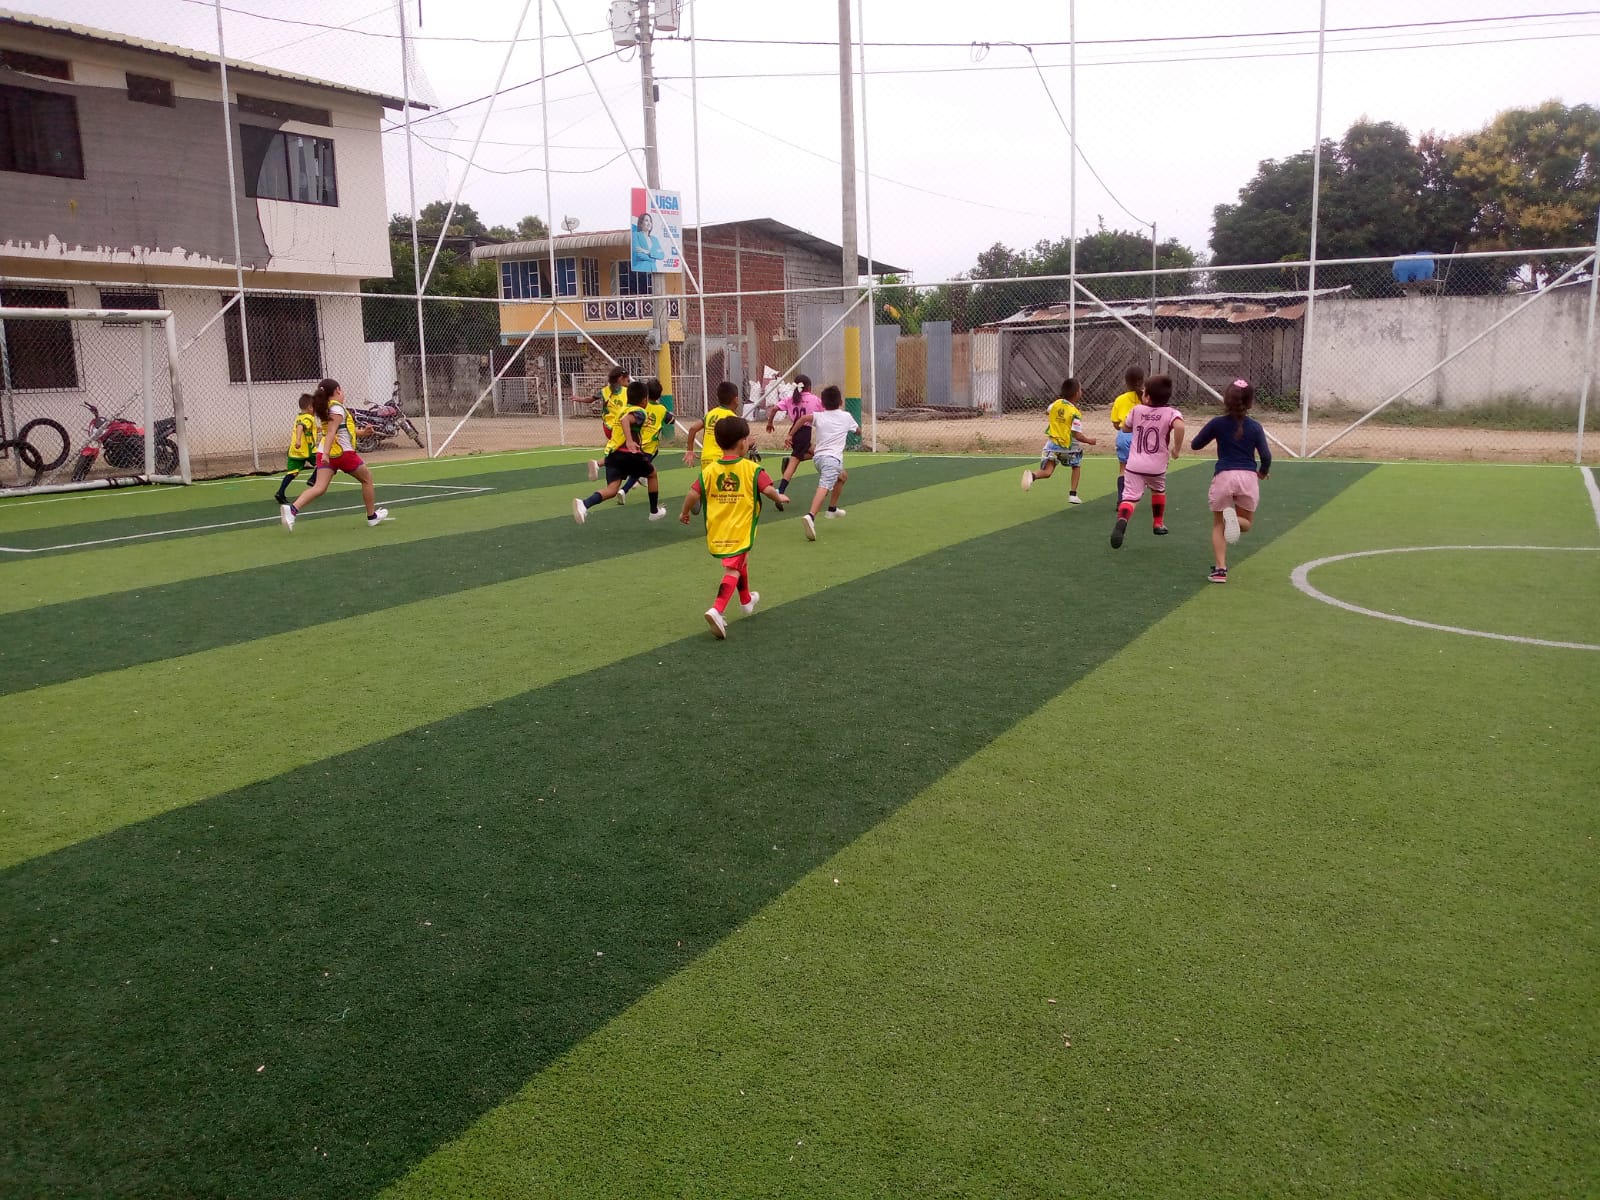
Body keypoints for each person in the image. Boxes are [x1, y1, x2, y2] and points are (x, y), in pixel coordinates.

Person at [678, 415, 788, 639]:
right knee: (733, 569)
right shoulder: (752, 469)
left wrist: (685, 512)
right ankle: (717, 610)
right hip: (739, 529)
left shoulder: (709, 471)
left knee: (739, 561)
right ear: (742, 443)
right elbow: (768, 490)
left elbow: (693, 493)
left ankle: (746, 600)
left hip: (718, 528)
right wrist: (779, 497)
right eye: (747, 439)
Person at [279, 379, 390, 531]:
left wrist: (363, 432)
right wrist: (326, 454)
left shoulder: (327, 407)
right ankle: (372, 517)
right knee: (367, 479)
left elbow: (342, 430)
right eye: (341, 390)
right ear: (337, 390)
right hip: (342, 453)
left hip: (326, 452)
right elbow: (331, 432)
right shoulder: (337, 408)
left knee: (319, 487)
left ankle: (292, 510)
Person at [1190, 378, 1271, 583]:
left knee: (1218, 524)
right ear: (1250, 402)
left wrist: (1214, 434)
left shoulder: (1217, 423)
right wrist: (1262, 472)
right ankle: (1234, 519)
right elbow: (1266, 456)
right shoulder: (1255, 427)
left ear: (1226, 400)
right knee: (1247, 524)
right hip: (1248, 477)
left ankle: (1220, 570)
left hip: (1224, 476)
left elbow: (1196, 445)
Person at [573, 380, 664, 523]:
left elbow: (622, 421)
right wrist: (629, 440)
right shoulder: (640, 412)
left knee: (612, 490)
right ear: (644, 400)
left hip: (613, 454)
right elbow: (626, 421)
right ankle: (654, 511)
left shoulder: (622, 410)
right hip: (628, 454)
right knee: (652, 474)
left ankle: (584, 504)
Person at [1110, 374, 1183, 549]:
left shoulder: (1137, 410)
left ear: (1147, 397)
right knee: (1158, 490)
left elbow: (1125, 428)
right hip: (1157, 466)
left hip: (1134, 465)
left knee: (1130, 498)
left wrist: (1132, 425)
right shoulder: (1171, 413)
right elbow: (1180, 426)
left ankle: (1123, 519)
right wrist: (1177, 449)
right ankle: (1158, 523)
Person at [789, 385, 858, 541]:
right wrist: (856, 431)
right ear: (841, 402)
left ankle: (832, 509)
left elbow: (802, 419)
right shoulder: (846, 417)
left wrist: (790, 435)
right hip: (832, 460)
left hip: (818, 458)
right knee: (824, 486)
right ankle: (811, 516)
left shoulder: (819, 416)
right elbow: (858, 431)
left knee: (842, 476)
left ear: (823, 403)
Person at [1020, 377, 1097, 502]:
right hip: (1067, 447)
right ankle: (1073, 494)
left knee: (1048, 472)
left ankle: (1032, 476)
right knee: (1076, 465)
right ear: (1077, 393)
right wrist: (1089, 441)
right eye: (1080, 389)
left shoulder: (1055, 404)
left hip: (1052, 445)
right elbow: (1077, 435)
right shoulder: (1075, 413)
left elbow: (1048, 411)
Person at [767, 373, 823, 495]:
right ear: (809, 387)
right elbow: (825, 412)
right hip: (804, 432)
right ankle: (780, 490)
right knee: (795, 463)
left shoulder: (790, 399)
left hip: (794, 431)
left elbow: (775, 409)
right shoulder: (814, 399)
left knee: (817, 454)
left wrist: (770, 422)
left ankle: (781, 488)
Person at [681, 381, 742, 468]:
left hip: (706, 459)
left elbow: (692, 429)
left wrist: (690, 450)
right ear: (736, 399)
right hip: (721, 459)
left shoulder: (710, 414)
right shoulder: (732, 417)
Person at [1109, 365, 1146, 503]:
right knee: (1142, 467)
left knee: (1123, 469)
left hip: (1124, 436)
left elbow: (1115, 423)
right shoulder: (1147, 398)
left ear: (1126, 381)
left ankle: (1121, 499)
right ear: (1142, 380)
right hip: (1141, 436)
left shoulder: (1120, 399)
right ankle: (1135, 494)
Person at [273, 392, 318, 507]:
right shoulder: (308, 418)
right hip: (307, 449)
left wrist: (322, 429)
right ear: (310, 408)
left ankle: (280, 493)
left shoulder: (299, 417)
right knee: (323, 462)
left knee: (293, 472)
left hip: (295, 451)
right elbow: (300, 427)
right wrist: (298, 440)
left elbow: (306, 428)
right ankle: (313, 479)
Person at [588, 365, 631, 483]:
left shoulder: (606, 390)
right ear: (620, 378)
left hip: (608, 426)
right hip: (619, 427)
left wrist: (579, 399)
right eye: (627, 379)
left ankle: (632, 475)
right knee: (628, 450)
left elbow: (591, 399)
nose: (629, 381)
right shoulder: (626, 391)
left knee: (621, 451)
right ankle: (598, 464)